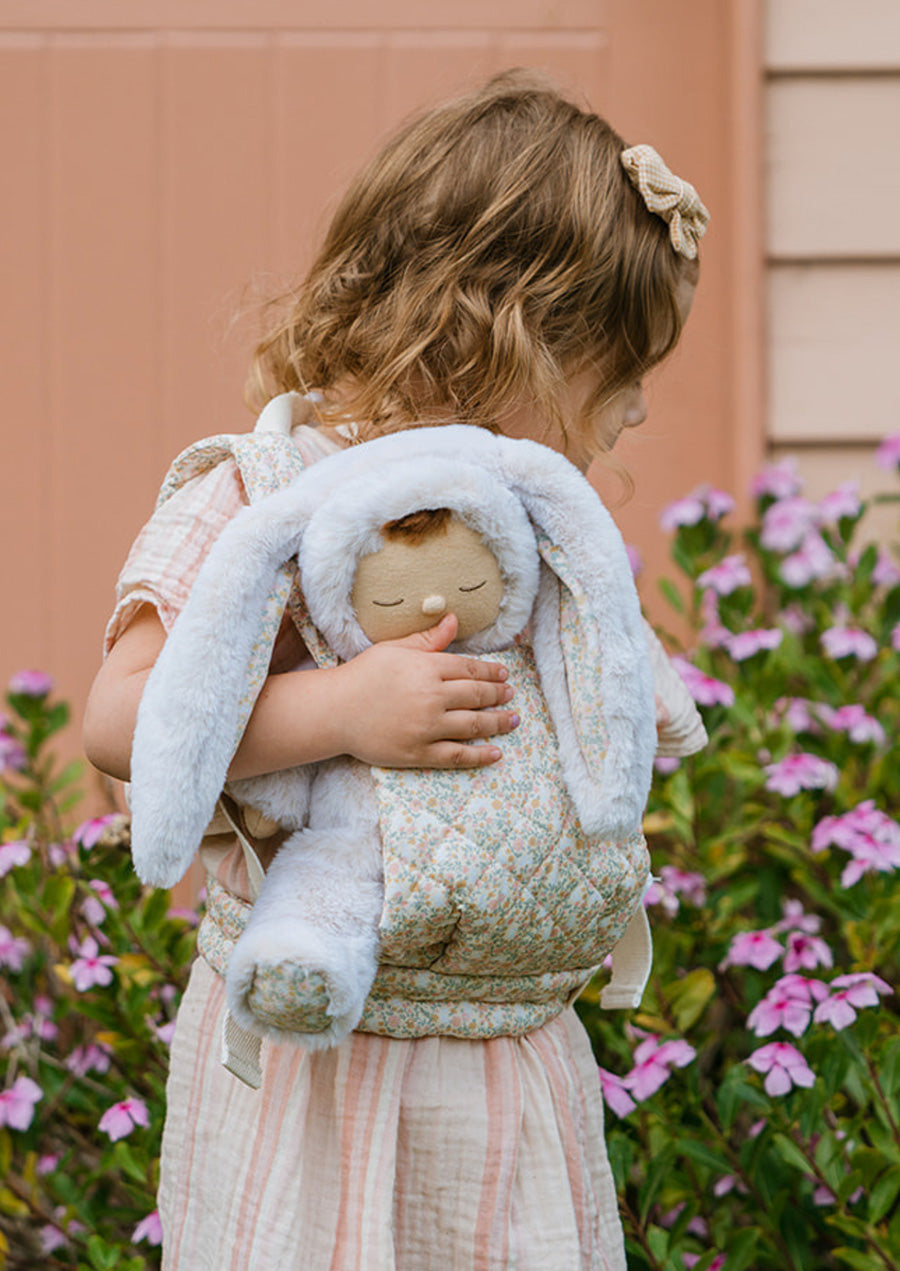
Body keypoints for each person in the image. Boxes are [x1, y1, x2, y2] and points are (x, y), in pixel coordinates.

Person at [83, 68, 708, 1271]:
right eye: (620, 368)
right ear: (517, 328)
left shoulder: (531, 520)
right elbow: (122, 719)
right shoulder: (273, 490)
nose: (632, 410)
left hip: (508, 1064)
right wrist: (339, 708)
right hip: (324, 1058)